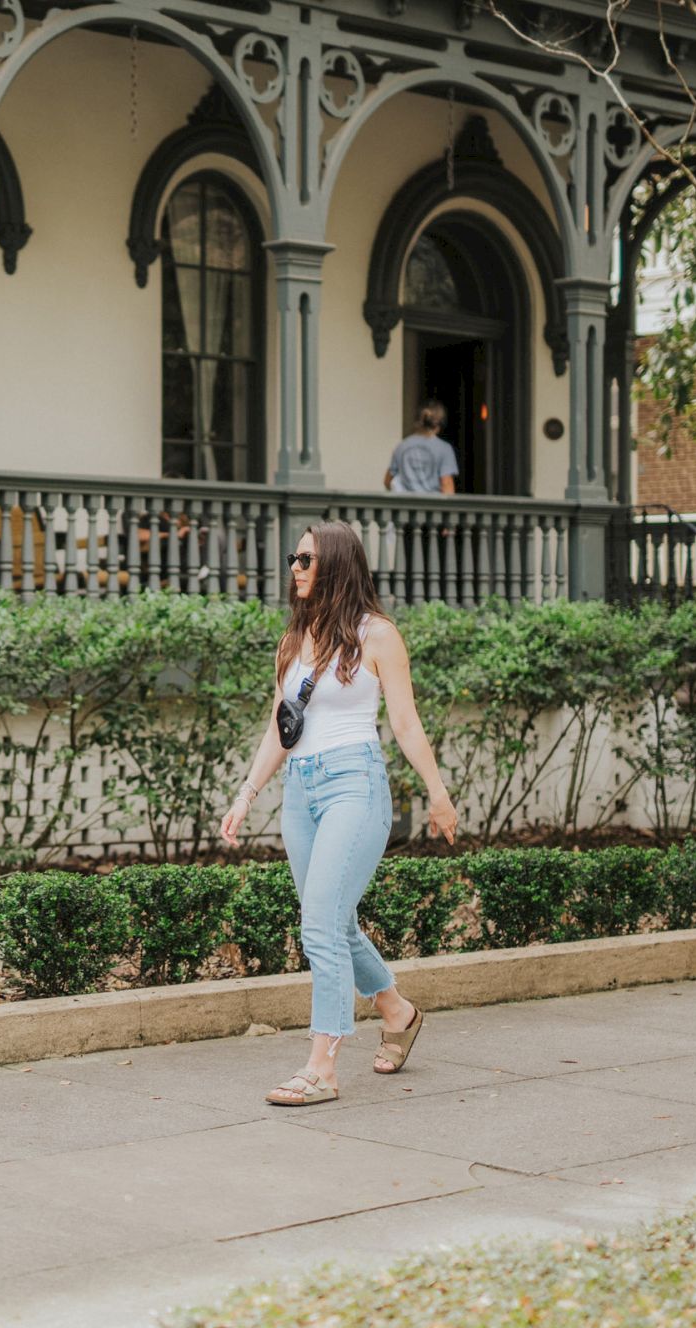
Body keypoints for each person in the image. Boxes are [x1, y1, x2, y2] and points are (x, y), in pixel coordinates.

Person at [220, 522, 457, 1107]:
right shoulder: (293, 641)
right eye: (294, 558)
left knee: (320, 926)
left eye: (306, 559)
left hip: (355, 784)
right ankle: (397, 1012)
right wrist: (247, 794)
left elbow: (404, 722)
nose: (295, 567)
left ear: (337, 566)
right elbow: (280, 729)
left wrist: (437, 790)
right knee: (335, 923)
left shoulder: (378, 636)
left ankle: (321, 1065)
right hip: (301, 793)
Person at [384, 400, 459, 494]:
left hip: (405, 506)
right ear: (440, 424)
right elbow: (447, 484)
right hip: (433, 506)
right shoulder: (444, 449)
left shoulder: (402, 446)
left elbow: (387, 482)